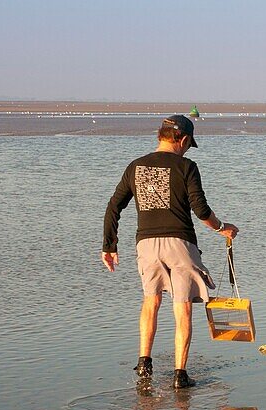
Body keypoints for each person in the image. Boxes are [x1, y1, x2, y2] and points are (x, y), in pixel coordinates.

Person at [102, 114, 239, 388]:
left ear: (160, 136)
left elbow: (114, 206)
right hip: (180, 245)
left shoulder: (136, 167)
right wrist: (222, 227)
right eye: (188, 144)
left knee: (150, 301)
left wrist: (109, 245)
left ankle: (144, 364)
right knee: (183, 307)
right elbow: (200, 210)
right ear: (184, 140)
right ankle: (180, 375)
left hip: (147, 246)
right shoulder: (186, 166)